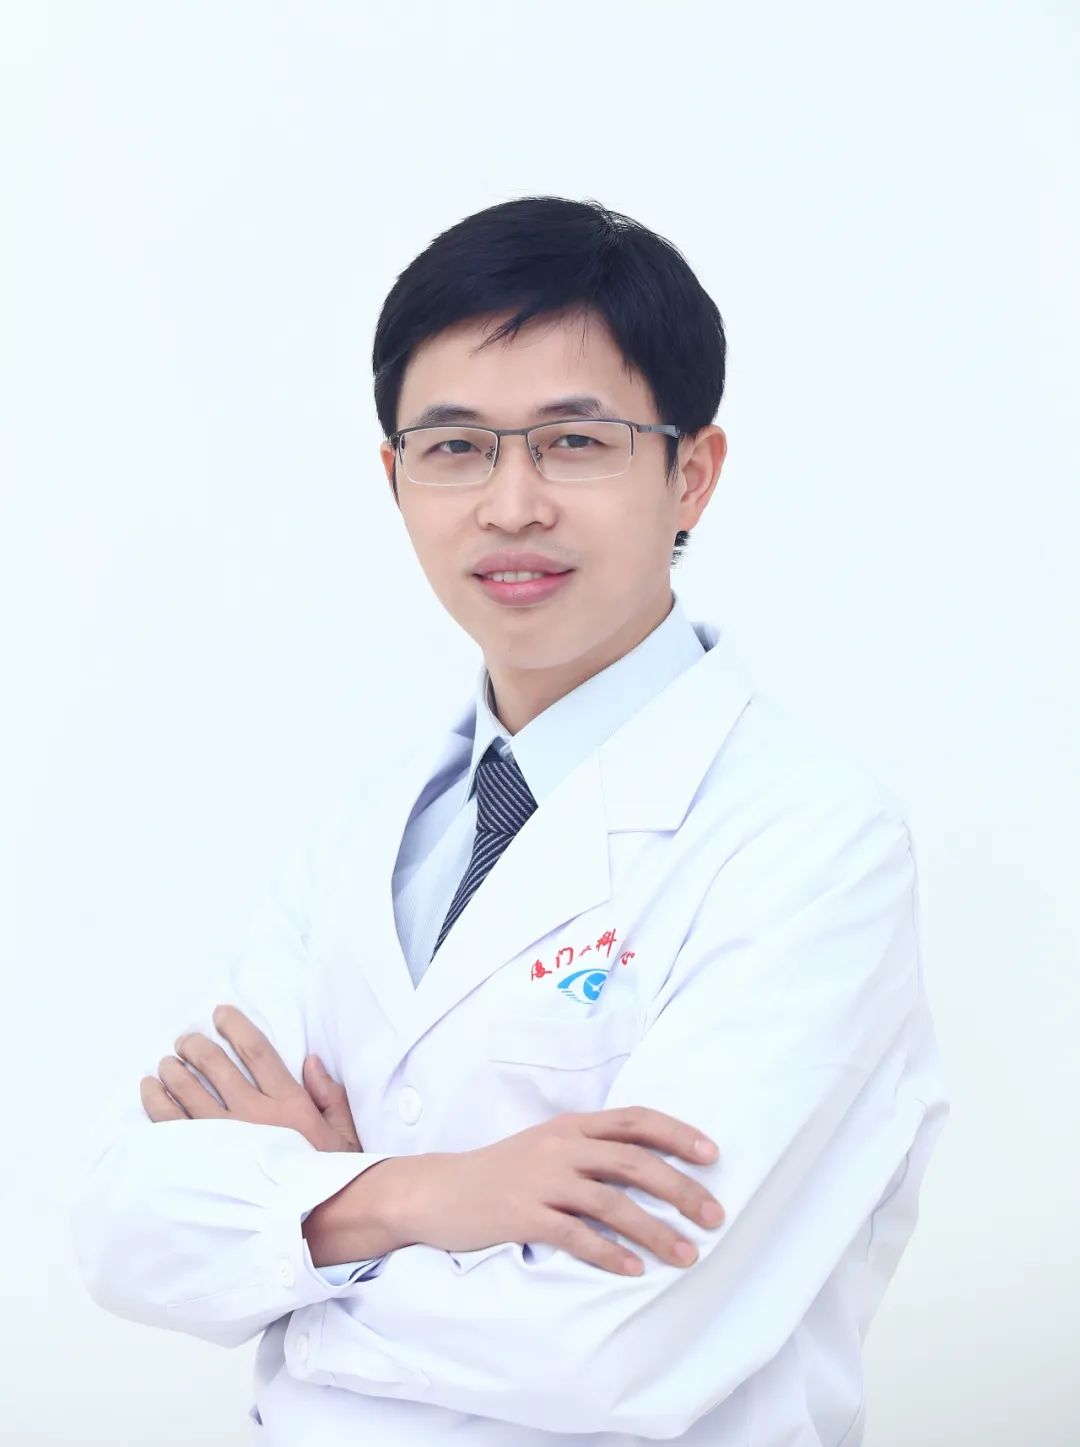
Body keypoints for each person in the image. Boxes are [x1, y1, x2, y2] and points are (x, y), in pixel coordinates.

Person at [70, 195, 949, 1445]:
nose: (512, 503)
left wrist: (295, 1237)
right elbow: (124, 1227)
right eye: (456, 447)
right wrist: (426, 1195)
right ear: (396, 478)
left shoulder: (811, 843)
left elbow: (607, 1346)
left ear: (691, 473)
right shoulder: (363, 837)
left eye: (574, 443)